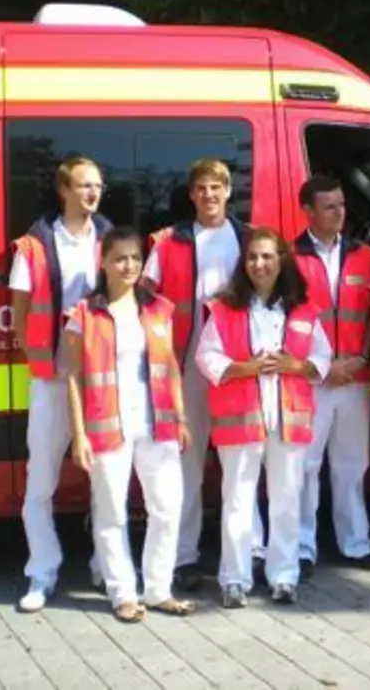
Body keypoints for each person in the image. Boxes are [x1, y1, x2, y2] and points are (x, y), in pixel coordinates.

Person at [64, 227, 197, 622]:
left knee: (168, 507)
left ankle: (158, 590)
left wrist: (182, 415)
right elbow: (73, 377)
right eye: (120, 258)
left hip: (158, 421)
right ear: (102, 262)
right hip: (108, 424)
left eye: (135, 258)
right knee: (111, 512)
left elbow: (170, 365)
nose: (129, 266)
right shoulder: (84, 314)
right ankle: (122, 592)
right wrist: (78, 434)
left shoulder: (159, 308)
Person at [195, 228, 332, 608]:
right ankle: (234, 579)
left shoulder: (303, 309)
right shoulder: (224, 308)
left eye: (267, 256)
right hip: (241, 418)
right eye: (253, 257)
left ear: (281, 261)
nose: (259, 264)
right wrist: (243, 368)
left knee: (287, 500)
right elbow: (206, 357)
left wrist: (297, 365)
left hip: (289, 417)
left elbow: (323, 358)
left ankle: (284, 577)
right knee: (237, 500)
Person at [9, 156, 113, 613]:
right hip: (52, 377)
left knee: (106, 480)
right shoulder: (33, 245)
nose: (92, 192)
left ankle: (104, 567)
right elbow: (19, 310)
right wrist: (38, 358)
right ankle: (42, 572)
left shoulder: (111, 240)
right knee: (41, 480)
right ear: (63, 190)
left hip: (100, 376)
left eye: (97, 185)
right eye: (83, 185)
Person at [141, 157, 249, 591]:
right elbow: (147, 296)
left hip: (236, 366)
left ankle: (245, 554)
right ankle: (184, 557)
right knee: (186, 463)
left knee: (241, 464)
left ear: (228, 191)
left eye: (216, 187)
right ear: (191, 194)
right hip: (187, 363)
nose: (209, 195)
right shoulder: (169, 241)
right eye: (201, 188)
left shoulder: (246, 237)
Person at [293, 175, 370, 574]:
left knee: (351, 464)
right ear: (308, 211)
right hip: (312, 381)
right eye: (329, 206)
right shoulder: (289, 257)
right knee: (306, 466)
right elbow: (285, 321)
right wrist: (322, 368)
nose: (339, 212)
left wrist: (362, 359)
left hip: (355, 379)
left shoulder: (366, 256)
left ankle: (356, 544)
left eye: (342, 204)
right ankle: (301, 548)